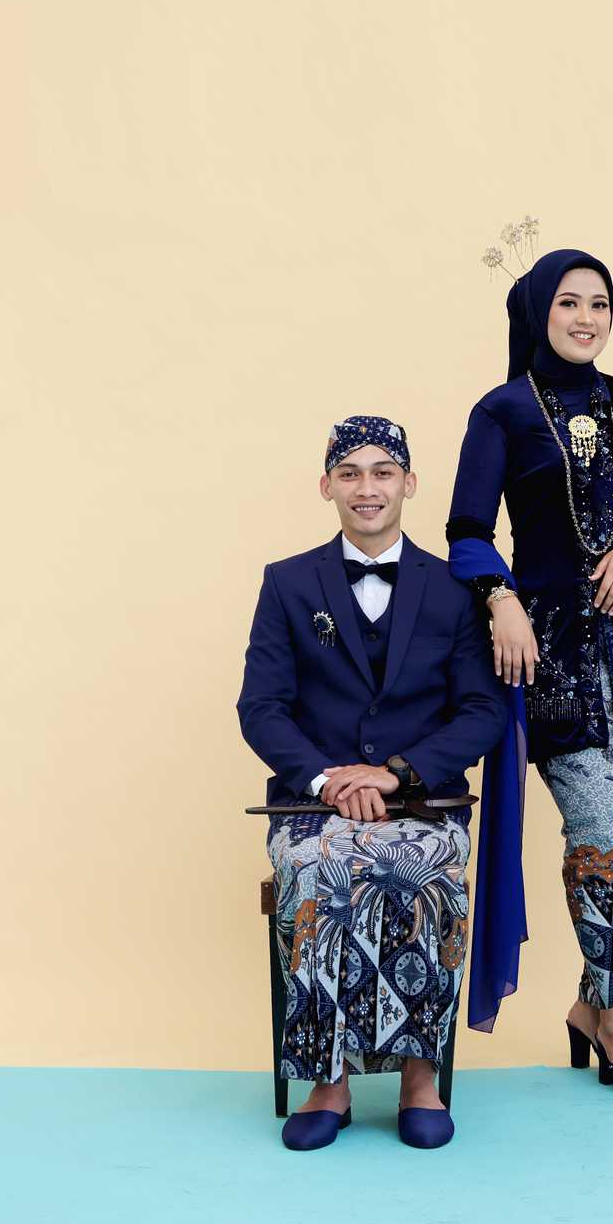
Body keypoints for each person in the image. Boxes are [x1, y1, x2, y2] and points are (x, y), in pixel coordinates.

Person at [446, 248, 613, 1101]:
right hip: (550, 652)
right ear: (536, 312)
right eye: (568, 303)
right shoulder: (503, 411)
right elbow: (467, 531)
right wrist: (500, 600)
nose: (587, 318)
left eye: (600, 303)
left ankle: (593, 1007)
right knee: (598, 829)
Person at [237, 414, 507, 1151]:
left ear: (409, 484)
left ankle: (421, 1075)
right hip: (313, 802)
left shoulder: (453, 588)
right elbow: (261, 707)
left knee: (424, 870)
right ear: (326, 485)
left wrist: (393, 774)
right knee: (318, 868)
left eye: (383, 471)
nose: (367, 487)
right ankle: (329, 1079)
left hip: (423, 797)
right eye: (349, 473)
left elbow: (483, 710)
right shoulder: (288, 583)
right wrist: (329, 780)